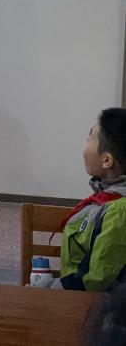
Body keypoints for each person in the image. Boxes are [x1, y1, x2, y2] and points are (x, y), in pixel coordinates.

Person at [58, 107, 126, 292]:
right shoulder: (107, 199)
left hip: (91, 304)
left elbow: (95, 284)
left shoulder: (118, 213)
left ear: (107, 160)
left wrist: (48, 288)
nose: (84, 145)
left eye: (89, 138)